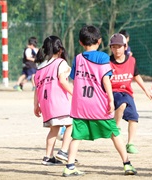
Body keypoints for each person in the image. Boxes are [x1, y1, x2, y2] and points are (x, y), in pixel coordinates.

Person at [63, 25, 137, 177]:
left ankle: (69, 166)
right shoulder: (103, 57)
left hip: (80, 105)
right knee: (115, 133)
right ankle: (127, 164)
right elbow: (106, 80)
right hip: (97, 105)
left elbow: (73, 79)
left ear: (80, 42)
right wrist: (110, 99)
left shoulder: (78, 58)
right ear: (99, 41)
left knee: (76, 136)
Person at [33, 36, 75, 165]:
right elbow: (62, 81)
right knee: (72, 124)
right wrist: (75, 94)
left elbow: (37, 89)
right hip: (58, 101)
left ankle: (48, 157)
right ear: (60, 49)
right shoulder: (60, 63)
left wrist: (36, 105)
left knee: (54, 129)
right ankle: (63, 151)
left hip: (45, 103)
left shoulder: (40, 67)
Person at [109, 33, 152, 155]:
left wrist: (146, 90)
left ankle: (130, 143)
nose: (117, 49)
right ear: (111, 48)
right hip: (113, 92)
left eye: (119, 46)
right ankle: (116, 126)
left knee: (134, 117)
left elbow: (136, 76)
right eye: (114, 47)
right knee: (122, 104)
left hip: (127, 93)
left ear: (125, 46)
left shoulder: (131, 61)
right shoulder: (107, 62)